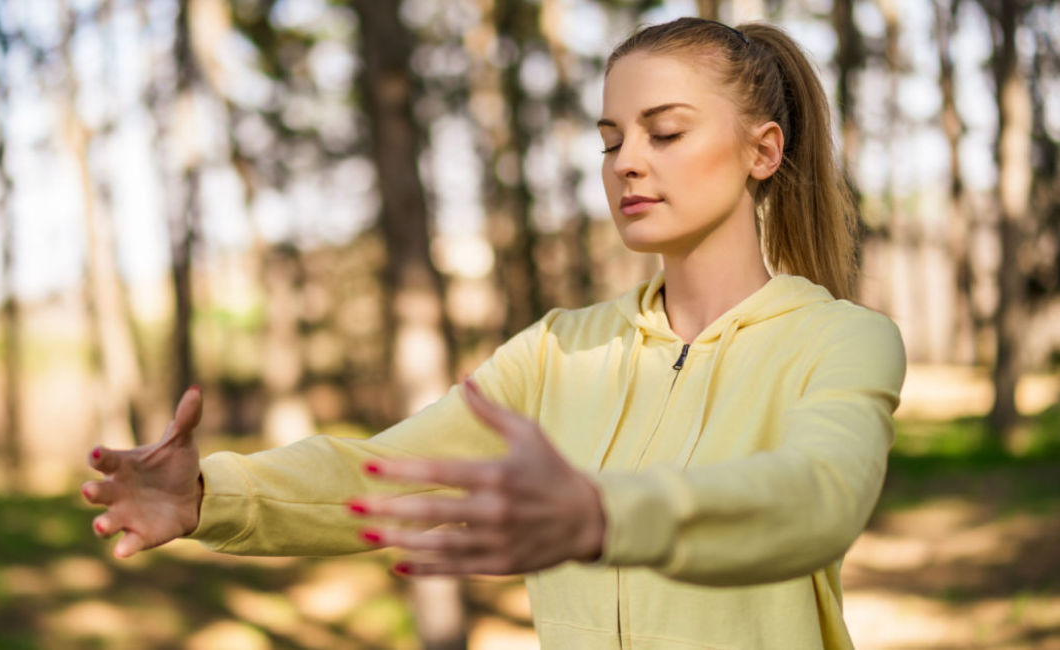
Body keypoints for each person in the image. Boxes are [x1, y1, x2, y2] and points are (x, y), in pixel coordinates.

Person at [81, 16, 906, 649]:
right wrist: (207, 496)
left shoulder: (841, 341)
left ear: (763, 151)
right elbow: (386, 475)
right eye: (611, 140)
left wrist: (604, 514)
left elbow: (815, 498)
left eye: (666, 132)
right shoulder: (557, 349)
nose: (625, 162)